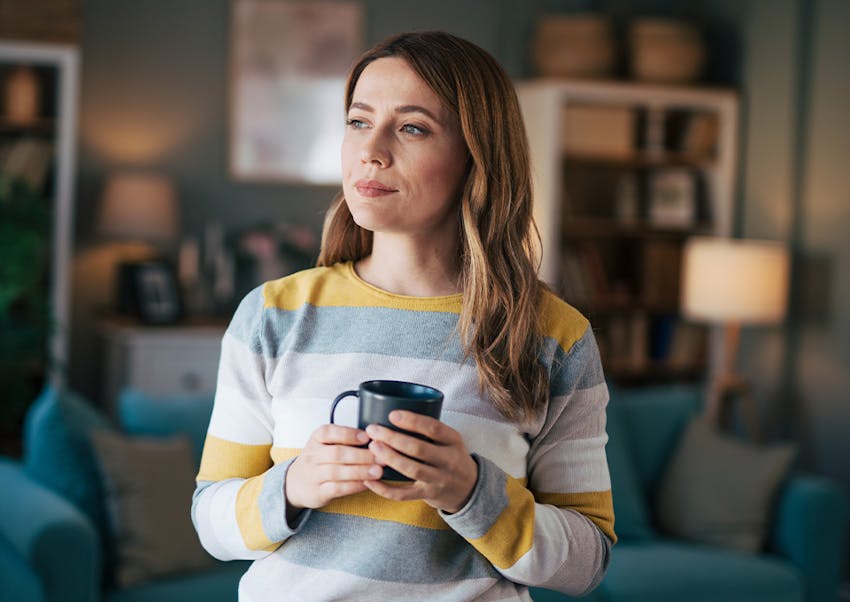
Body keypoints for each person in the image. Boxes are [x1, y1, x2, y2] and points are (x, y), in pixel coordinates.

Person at [192, 30, 615, 601]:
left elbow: (587, 562)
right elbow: (210, 522)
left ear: (478, 157)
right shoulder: (273, 316)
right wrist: (292, 486)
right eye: (359, 121)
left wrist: (471, 492)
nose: (372, 149)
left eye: (412, 127)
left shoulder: (555, 338)